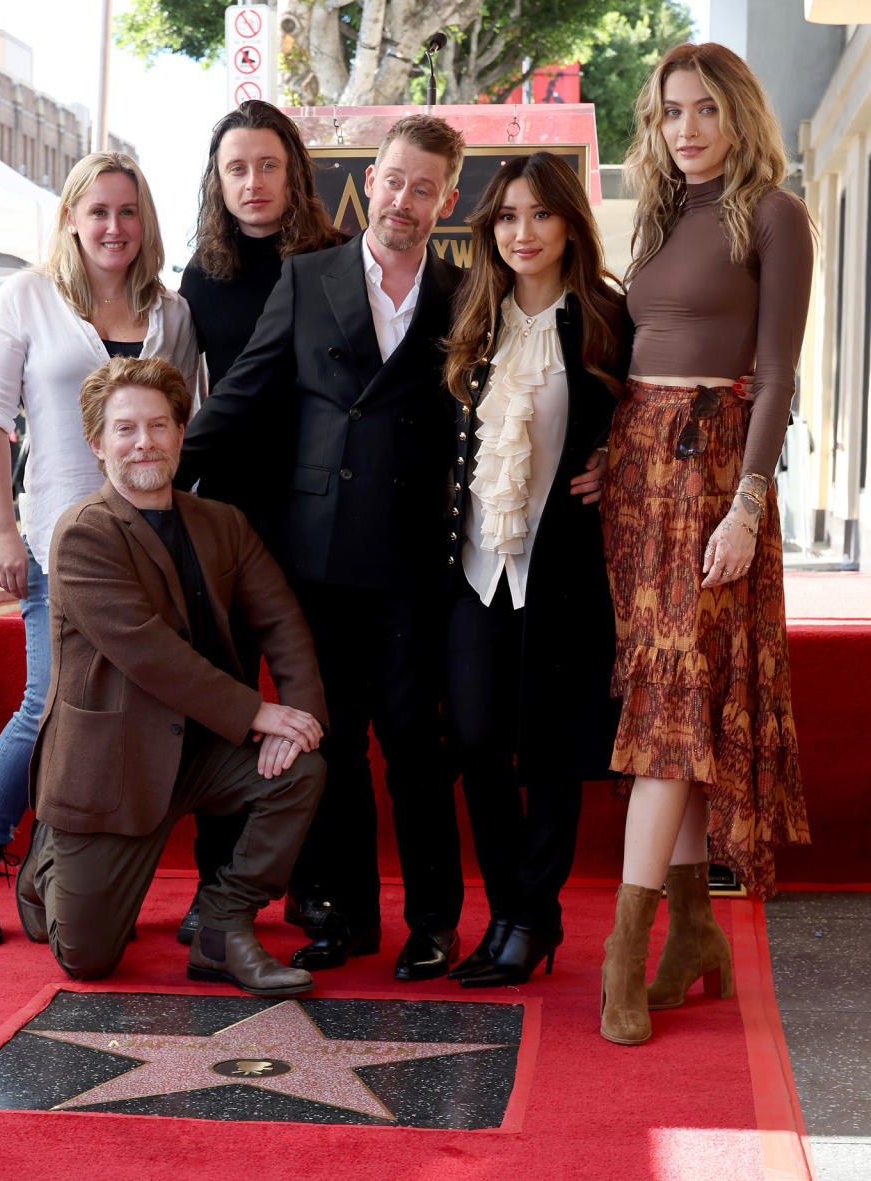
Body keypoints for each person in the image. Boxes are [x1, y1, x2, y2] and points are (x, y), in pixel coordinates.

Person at [176, 115, 466, 981]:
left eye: (426, 187)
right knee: (332, 745)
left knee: (416, 744)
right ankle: (343, 915)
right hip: (316, 556)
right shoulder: (306, 279)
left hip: (416, 556)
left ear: (446, 199)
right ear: (368, 182)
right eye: (395, 180)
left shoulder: (465, 290)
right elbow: (239, 397)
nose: (405, 200)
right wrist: (150, 479)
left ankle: (434, 922)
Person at [598, 42, 812, 1045]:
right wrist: (611, 454)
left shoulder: (772, 211)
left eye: (704, 111)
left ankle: (622, 964)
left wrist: (748, 502)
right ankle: (692, 935)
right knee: (664, 713)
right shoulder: (659, 213)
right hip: (641, 472)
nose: (685, 129)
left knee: (674, 709)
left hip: (714, 475)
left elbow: (775, 372)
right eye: (670, 112)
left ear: (739, 116)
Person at [15, 356, 327, 994]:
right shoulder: (81, 534)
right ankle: (45, 865)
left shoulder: (222, 523)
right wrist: (256, 713)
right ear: (97, 444)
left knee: (301, 768)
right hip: (113, 766)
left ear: (182, 434)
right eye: (125, 429)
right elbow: (149, 651)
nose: (144, 443)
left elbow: (282, 621)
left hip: (200, 747)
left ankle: (222, 925)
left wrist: (301, 718)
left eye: (159, 426)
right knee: (89, 960)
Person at [0, 152, 198, 947]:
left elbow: (178, 426)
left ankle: (84, 875)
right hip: (60, 543)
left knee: (125, 715)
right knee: (48, 703)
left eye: (128, 212)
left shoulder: (174, 312)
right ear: (71, 218)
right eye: (99, 212)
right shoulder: (26, 297)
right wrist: (6, 530)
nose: (114, 227)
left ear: (144, 221)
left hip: (153, 549)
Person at [442, 152, 628, 988]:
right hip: (477, 568)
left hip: (563, 574)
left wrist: (617, 457)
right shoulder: (471, 316)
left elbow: (651, 419)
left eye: (541, 215)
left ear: (569, 225)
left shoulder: (606, 320)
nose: (523, 233)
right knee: (479, 743)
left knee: (549, 752)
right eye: (508, 216)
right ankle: (523, 910)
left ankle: (523, 918)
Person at [174, 100, 343, 946]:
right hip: (222, 511)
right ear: (217, 178)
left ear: (295, 172)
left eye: (267, 165)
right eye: (235, 168)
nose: (251, 182)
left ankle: (312, 883)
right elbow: (194, 395)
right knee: (224, 701)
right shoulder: (200, 275)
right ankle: (218, 887)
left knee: (313, 697)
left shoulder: (333, 261)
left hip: (315, 511)